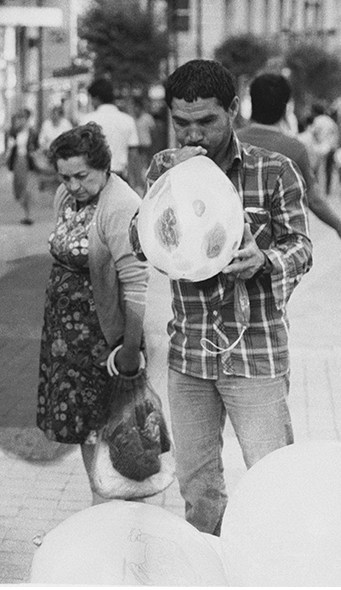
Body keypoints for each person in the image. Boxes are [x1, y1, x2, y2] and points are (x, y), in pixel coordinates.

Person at [131, 59, 313, 535]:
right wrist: (164, 187)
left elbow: (301, 247)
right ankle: (208, 569)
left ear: (234, 110)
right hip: (190, 354)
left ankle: (275, 566)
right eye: (182, 124)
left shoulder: (274, 171)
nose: (194, 136)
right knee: (198, 487)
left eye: (207, 122)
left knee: (273, 477)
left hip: (256, 353)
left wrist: (265, 261)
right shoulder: (163, 168)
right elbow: (139, 241)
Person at [37, 122, 153, 502]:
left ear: (105, 166)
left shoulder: (121, 206)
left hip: (104, 340)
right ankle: (99, 501)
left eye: (81, 177)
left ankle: (114, 508)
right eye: (65, 177)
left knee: (112, 429)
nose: (72, 187)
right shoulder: (65, 197)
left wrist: (130, 351)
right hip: (67, 338)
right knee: (86, 429)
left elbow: (136, 284)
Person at [238, 74, 341, 243]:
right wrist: (340, 227)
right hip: (277, 249)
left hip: (235, 241)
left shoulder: (232, 142)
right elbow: (313, 199)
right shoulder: (294, 149)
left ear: (252, 102)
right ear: (285, 106)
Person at [82, 78, 140, 183]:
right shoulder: (128, 120)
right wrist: (134, 182)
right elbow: (133, 154)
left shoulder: (86, 120)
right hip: (120, 177)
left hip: (94, 178)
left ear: (96, 98)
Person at [6, 108, 41, 225]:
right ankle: (25, 213)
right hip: (17, 162)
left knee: (28, 189)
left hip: (28, 161)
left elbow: (37, 147)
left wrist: (34, 154)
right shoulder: (13, 133)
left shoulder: (32, 132)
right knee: (19, 189)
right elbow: (10, 149)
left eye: (22, 119)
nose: (20, 122)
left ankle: (28, 214)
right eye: (18, 119)